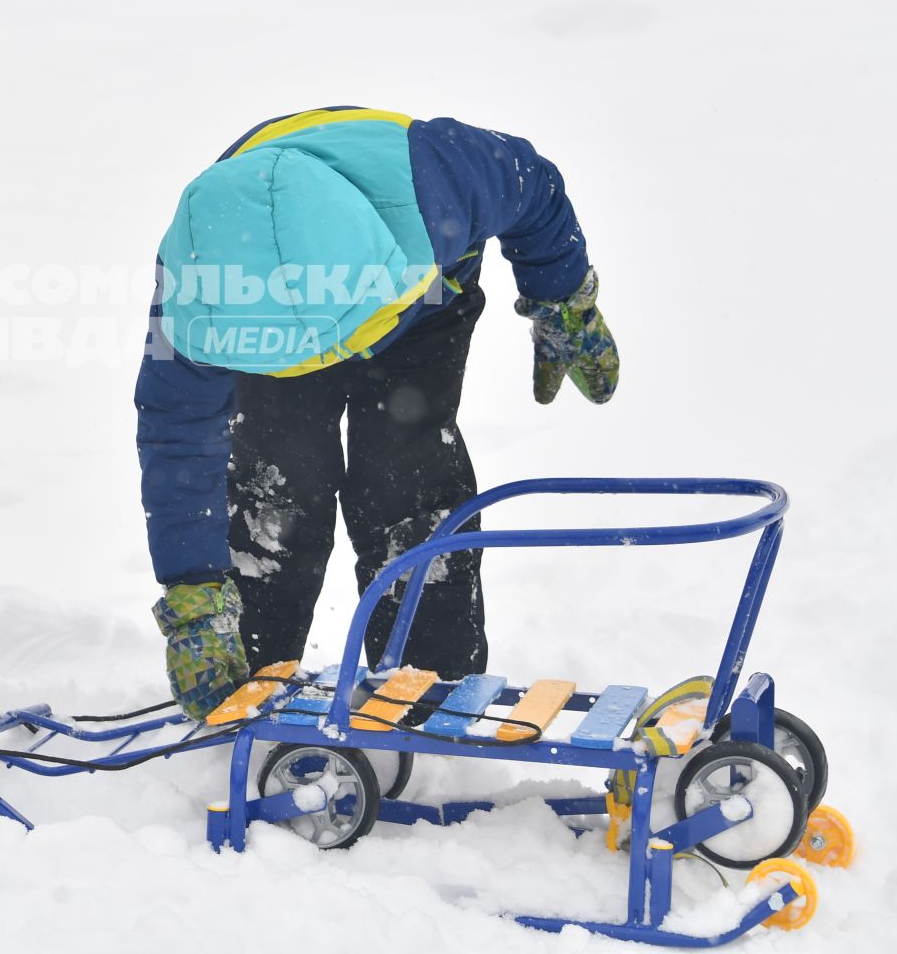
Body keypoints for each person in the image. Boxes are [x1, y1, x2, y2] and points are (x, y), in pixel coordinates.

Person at [136, 107, 617, 719]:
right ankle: (248, 678)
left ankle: (433, 693)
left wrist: (563, 301)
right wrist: (194, 594)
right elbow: (177, 433)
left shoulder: (439, 179)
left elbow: (534, 187)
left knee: (410, 484)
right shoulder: (203, 285)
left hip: (421, 301)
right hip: (267, 326)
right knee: (276, 487)